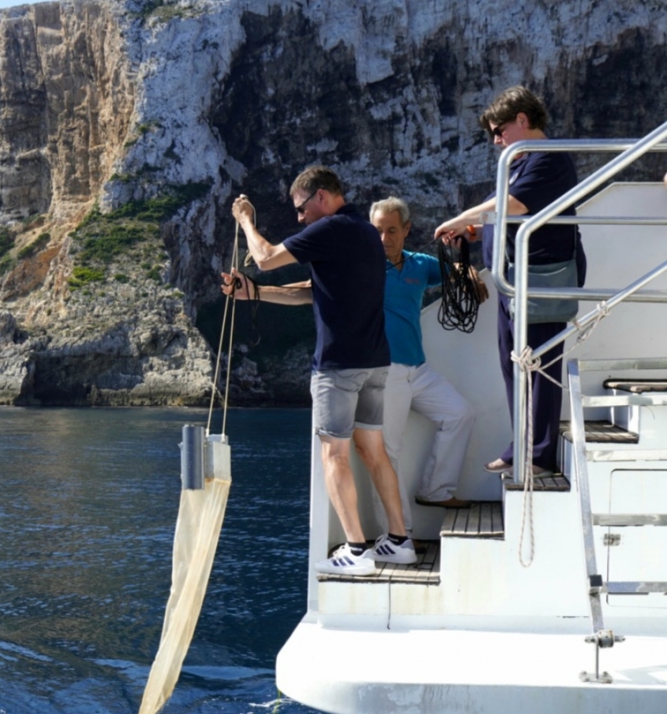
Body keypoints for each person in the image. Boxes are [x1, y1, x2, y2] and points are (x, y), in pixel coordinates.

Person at [225, 166, 416, 576]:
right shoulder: (365, 232)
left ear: (323, 197)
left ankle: (357, 550)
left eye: (300, 207)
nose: (299, 218)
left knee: (335, 454)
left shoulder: (329, 230)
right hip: (375, 361)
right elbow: (314, 294)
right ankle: (399, 542)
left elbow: (264, 257)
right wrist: (255, 294)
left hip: (339, 364)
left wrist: (245, 219)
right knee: (373, 451)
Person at [434, 86, 585, 476]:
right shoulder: (519, 161)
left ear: (522, 119)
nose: (496, 140)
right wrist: (474, 231)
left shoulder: (547, 161)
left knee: (540, 362)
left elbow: (515, 205)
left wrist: (458, 218)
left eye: (499, 130)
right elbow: (510, 215)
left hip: (542, 279)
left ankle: (540, 454)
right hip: (515, 279)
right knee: (514, 363)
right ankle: (523, 446)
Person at [369, 197, 475, 534]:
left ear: (406, 230)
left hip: (418, 369)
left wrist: (468, 272)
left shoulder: (419, 264)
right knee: (388, 452)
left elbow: (450, 270)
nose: (384, 238)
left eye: (391, 230)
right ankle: (397, 534)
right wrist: (258, 290)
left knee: (460, 413)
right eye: (377, 231)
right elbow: (316, 288)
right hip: (385, 372)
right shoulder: (362, 268)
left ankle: (434, 490)